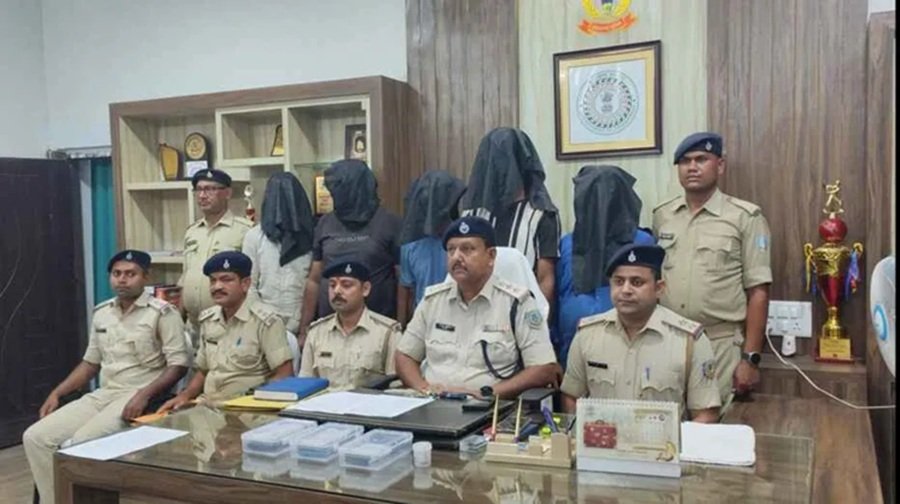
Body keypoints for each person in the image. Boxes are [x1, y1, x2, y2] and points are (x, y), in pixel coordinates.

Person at [23, 250, 189, 503]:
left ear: (145, 277)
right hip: (104, 393)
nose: (122, 279)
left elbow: (178, 365)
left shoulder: (162, 313)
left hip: (139, 395)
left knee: (83, 442)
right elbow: (90, 363)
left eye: (130, 274)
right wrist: (57, 392)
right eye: (117, 274)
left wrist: (143, 395)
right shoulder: (102, 313)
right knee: (36, 437)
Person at [652, 132, 772, 405]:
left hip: (719, 342)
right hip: (669, 340)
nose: (692, 167)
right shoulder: (663, 215)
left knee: (713, 423)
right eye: (685, 161)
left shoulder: (745, 217)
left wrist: (750, 359)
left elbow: (758, 292)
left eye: (701, 159)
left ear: (720, 165)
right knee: (667, 420)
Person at [395, 216, 560, 399]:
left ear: (491, 256)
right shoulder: (432, 301)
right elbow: (405, 355)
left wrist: (485, 394)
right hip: (432, 404)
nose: (456, 257)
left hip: (488, 407)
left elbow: (543, 368)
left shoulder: (517, 303)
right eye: (451, 250)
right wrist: (424, 389)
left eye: (467, 249)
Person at [560, 244, 721, 422]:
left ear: (659, 288)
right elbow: (571, 397)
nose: (626, 290)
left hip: (665, 440)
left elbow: (706, 412)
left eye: (637, 282)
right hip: (604, 438)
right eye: (619, 282)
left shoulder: (689, 341)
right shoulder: (588, 335)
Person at [158, 251, 293, 411]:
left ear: (245, 284)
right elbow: (203, 371)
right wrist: (185, 396)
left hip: (245, 409)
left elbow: (284, 375)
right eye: (213, 280)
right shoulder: (208, 319)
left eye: (226, 280)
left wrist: (254, 402)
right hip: (206, 405)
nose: (217, 287)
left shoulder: (265, 322)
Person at [555, 165, 655, 366]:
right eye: (592, 197)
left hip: (631, 345)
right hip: (573, 346)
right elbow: (558, 294)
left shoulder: (642, 242)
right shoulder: (567, 243)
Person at [298, 159, 402, 344]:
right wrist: (304, 329)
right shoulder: (325, 223)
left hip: (378, 329)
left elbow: (402, 280)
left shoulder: (389, 223)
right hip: (330, 327)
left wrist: (401, 326)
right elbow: (314, 279)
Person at [460, 127, 561, 306]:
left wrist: (536, 318)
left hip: (522, 310)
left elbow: (545, 279)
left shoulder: (542, 215)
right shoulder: (471, 216)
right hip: (476, 309)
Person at [299, 260, 401, 389]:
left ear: (365, 289)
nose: (337, 291)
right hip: (326, 401)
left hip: (367, 401)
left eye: (346, 285)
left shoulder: (387, 333)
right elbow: (304, 385)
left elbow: (395, 387)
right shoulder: (316, 332)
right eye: (332, 285)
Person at [179, 168, 253, 344]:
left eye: (210, 189)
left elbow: (252, 282)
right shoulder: (192, 232)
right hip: (193, 326)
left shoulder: (245, 230)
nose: (202, 195)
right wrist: (178, 321)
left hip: (228, 325)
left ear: (227, 193)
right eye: (199, 189)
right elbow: (185, 278)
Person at [241, 172, 315, 335]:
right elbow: (249, 285)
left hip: (304, 324)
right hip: (263, 323)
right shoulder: (254, 236)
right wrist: (266, 323)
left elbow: (314, 284)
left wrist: (301, 324)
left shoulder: (312, 236)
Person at [398, 169, 467, 322]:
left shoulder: (465, 240)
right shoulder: (410, 246)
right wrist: (401, 327)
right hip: (424, 319)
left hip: (460, 316)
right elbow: (405, 290)